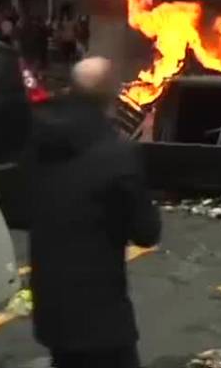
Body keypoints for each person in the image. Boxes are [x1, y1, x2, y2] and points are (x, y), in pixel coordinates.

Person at [25, 57, 161, 368]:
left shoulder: (40, 139)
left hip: (51, 309)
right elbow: (147, 232)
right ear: (114, 95)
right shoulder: (118, 155)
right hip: (100, 317)